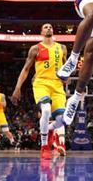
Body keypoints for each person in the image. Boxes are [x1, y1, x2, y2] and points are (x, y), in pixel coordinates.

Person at [11, 23, 68, 159]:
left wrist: (66, 76)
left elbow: (65, 66)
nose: (49, 28)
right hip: (41, 83)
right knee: (46, 110)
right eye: (46, 27)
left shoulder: (62, 48)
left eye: (50, 27)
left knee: (61, 121)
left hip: (57, 86)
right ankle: (44, 146)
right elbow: (25, 69)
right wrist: (17, 88)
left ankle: (50, 133)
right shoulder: (35, 48)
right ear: (41, 32)